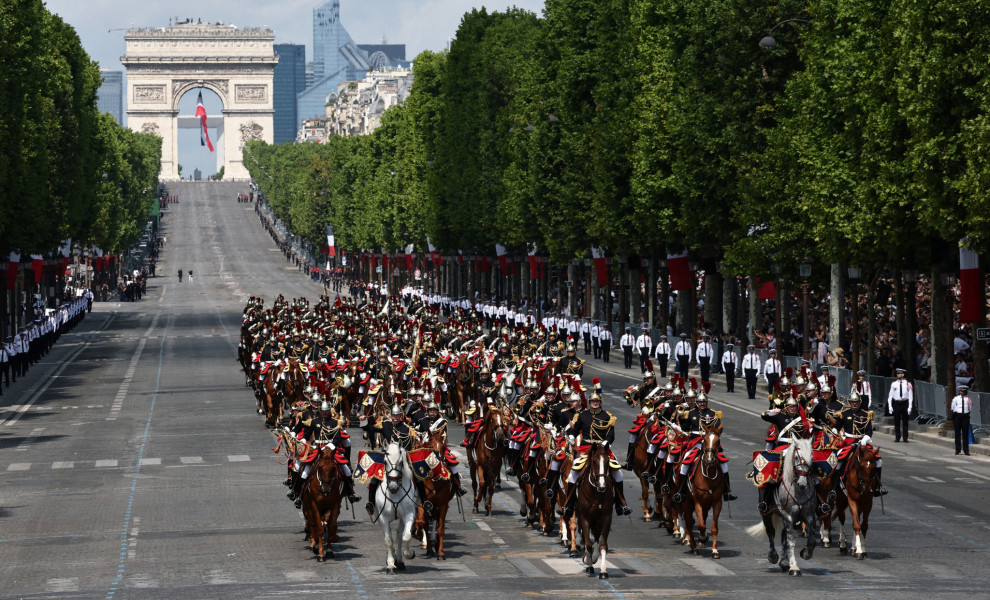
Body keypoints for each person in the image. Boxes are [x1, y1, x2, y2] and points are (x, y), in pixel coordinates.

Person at [561, 388, 632, 518]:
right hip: (586, 449)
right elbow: (575, 430)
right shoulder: (583, 415)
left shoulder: (607, 416)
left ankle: (620, 504)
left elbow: (611, 434)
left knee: (618, 474)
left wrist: (607, 442)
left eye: (597, 401)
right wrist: (571, 436)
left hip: (603, 449)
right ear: (589, 402)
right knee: (572, 474)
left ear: (600, 402)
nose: (595, 403)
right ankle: (569, 506)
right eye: (593, 401)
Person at [887, 368, 913, 442]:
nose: (897, 374)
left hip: (905, 403)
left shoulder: (908, 384)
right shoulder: (894, 384)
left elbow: (910, 396)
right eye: (897, 373)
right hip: (897, 403)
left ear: (903, 374)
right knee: (896, 421)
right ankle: (897, 436)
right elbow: (890, 395)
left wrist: (910, 407)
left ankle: (905, 437)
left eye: (899, 373)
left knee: (905, 421)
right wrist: (890, 406)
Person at [951, 385, 973, 456]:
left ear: (966, 391)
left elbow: (970, 407)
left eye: (963, 391)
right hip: (957, 415)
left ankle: (966, 450)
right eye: (961, 391)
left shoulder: (968, 399)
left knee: (965, 433)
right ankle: (957, 449)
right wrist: (956, 414)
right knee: (957, 433)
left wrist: (967, 413)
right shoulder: (956, 398)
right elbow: (953, 407)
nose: (962, 392)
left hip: (965, 416)